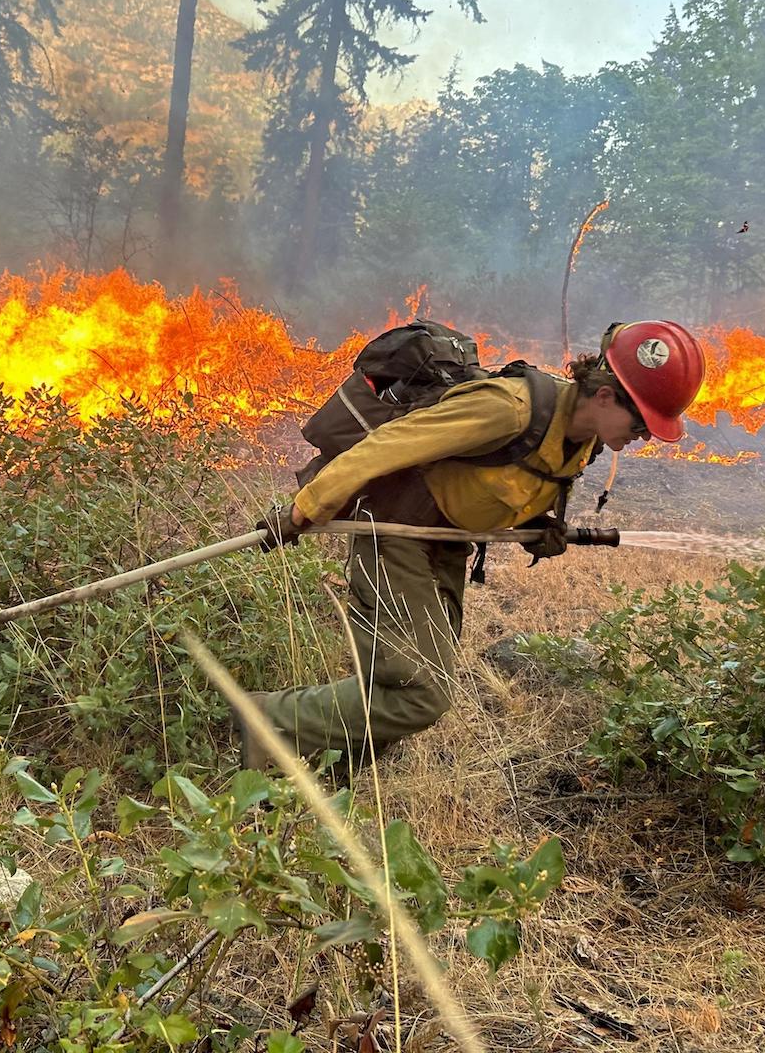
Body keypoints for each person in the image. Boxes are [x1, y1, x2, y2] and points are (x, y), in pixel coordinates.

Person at [238, 320, 706, 774]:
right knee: (420, 694)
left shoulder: (582, 439)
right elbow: (384, 447)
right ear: (604, 395)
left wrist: (536, 524)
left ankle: (333, 767)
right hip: (396, 532)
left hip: (445, 544)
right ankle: (264, 720)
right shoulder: (509, 409)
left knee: (414, 678)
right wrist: (303, 511)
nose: (645, 434)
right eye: (641, 420)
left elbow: (494, 481)